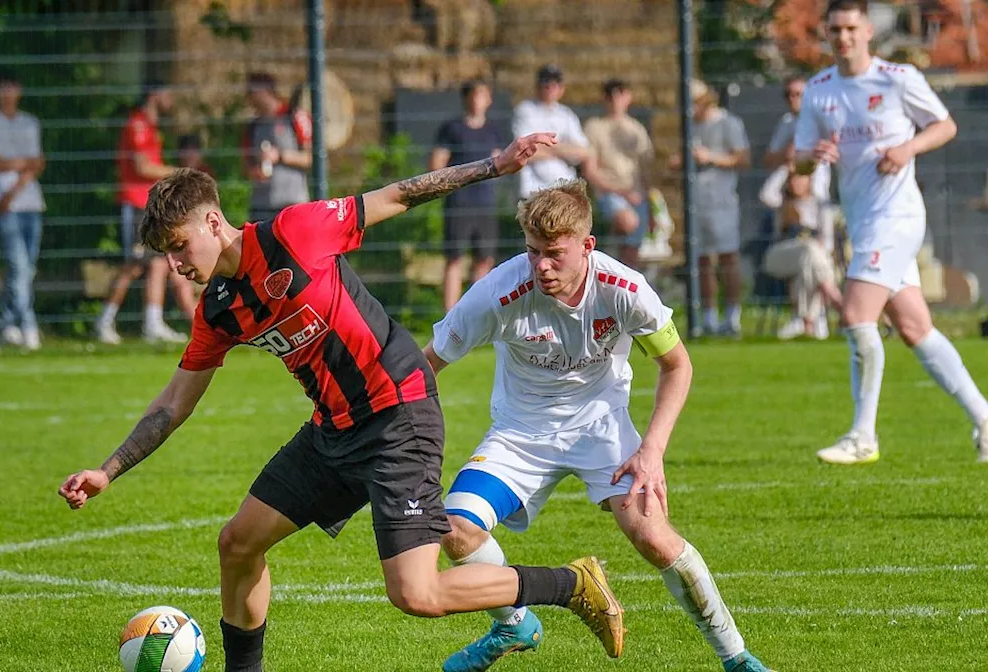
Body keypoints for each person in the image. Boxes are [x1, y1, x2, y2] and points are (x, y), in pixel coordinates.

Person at [58, 135, 627, 672]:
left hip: (398, 413)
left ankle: (571, 584)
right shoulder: (220, 307)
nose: (177, 262)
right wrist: (108, 471)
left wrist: (493, 167)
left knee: (417, 594)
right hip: (332, 430)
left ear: (212, 221)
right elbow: (174, 402)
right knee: (237, 543)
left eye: (180, 245)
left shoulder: (294, 232)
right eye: (166, 253)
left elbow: (399, 194)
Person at [424, 179, 771, 672]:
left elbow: (678, 365)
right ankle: (514, 623)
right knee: (454, 527)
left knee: (655, 539)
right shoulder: (497, 293)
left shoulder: (626, 290)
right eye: (531, 252)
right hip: (521, 434)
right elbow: (425, 367)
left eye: (553, 254)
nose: (541, 265)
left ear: (587, 246)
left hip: (602, 429)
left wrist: (651, 452)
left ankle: (737, 659)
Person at [794, 0, 988, 464]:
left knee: (855, 315)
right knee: (913, 327)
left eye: (851, 28)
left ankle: (863, 435)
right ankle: (984, 411)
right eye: (835, 29)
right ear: (827, 34)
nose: (843, 37)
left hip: (898, 219)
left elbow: (945, 124)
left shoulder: (897, 78)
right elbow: (799, 161)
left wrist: (907, 148)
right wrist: (816, 154)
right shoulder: (819, 90)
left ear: (868, 30)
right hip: (863, 221)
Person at [95, 82, 194, 345]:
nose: (171, 98)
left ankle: (152, 323)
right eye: (167, 93)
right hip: (135, 203)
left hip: (147, 205)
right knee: (133, 265)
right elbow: (142, 166)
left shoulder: (149, 126)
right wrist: (179, 174)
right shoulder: (138, 124)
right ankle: (104, 320)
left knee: (158, 263)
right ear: (154, 95)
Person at [0, 71, 47, 351]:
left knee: (26, 268)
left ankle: (7, 323)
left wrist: (15, 185)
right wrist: (23, 165)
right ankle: (27, 325)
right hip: (2, 203)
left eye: (12, 87)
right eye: (2, 88)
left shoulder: (30, 123)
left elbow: (37, 162)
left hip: (28, 200)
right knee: (18, 266)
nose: (8, 93)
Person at [671, 80, 750, 337]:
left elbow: (743, 158)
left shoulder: (728, 123)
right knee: (702, 260)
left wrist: (710, 158)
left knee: (728, 258)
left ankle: (732, 317)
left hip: (722, 202)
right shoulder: (689, 125)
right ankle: (708, 319)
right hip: (696, 202)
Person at [429, 79, 506, 310]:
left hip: (485, 203)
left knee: (484, 260)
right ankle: (450, 317)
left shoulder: (493, 131)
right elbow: (436, 164)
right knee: (455, 259)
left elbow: (500, 164)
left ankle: (477, 315)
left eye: (482, 95)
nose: (477, 100)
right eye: (473, 95)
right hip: (459, 203)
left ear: (489, 99)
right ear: (465, 98)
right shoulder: (451, 129)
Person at [759, 167, 841, 339]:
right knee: (808, 250)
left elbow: (828, 244)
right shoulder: (781, 202)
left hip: (811, 260)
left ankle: (803, 320)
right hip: (781, 254)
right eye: (792, 178)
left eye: (800, 178)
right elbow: (766, 194)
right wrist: (785, 167)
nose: (795, 182)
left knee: (808, 260)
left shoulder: (820, 205)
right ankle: (832, 301)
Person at [584, 79, 656, 270]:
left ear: (628, 96)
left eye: (620, 93)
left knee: (632, 255)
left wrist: (651, 207)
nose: (615, 99)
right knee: (627, 223)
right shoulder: (594, 127)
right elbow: (590, 171)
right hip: (608, 195)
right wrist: (622, 192)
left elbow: (646, 172)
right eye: (610, 94)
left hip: (637, 195)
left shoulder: (637, 130)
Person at [512, 65, 593, 199]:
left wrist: (545, 148)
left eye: (555, 83)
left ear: (562, 88)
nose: (550, 87)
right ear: (538, 86)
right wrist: (564, 150)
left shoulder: (566, 114)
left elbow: (583, 152)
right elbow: (523, 152)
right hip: (533, 191)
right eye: (546, 83)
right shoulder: (525, 110)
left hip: (564, 190)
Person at [243, 72, 312, 222]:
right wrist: (254, 172)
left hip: (292, 204)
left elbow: (311, 158)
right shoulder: (252, 127)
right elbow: (246, 166)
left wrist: (279, 156)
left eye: (252, 91)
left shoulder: (295, 116)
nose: (250, 97)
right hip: (261, 207)